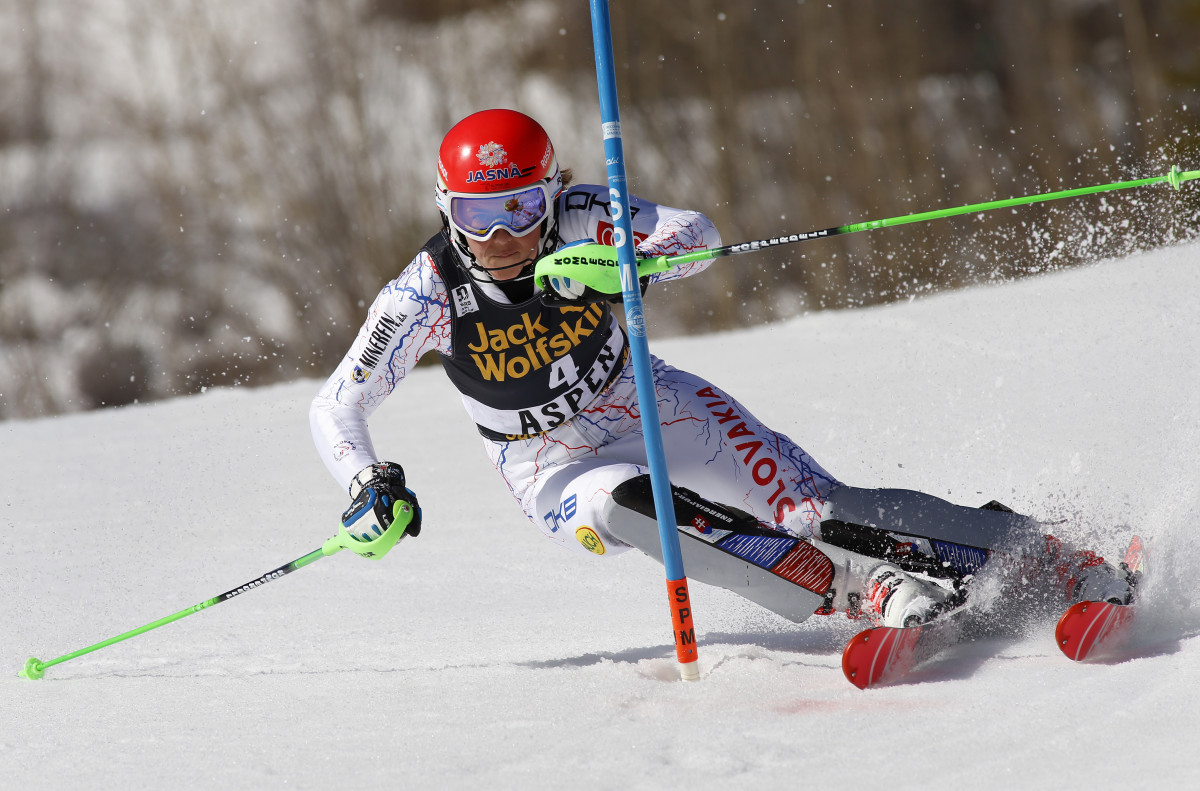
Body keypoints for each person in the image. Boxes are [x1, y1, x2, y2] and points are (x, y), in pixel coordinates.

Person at [310, 108, 1135, 632]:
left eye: (520, 209)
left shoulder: (585, 213)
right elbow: (336, 408)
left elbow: (696, 236)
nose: (501, 239)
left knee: (815, 506)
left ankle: (1041, 552)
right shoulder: (423, 295)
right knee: (631, 509)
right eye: (477, 216)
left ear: (549, 191)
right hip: (549, 461)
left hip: (648, 401)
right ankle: (861, 591)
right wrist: (366, 480)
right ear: (446, 208)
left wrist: (623, 261)